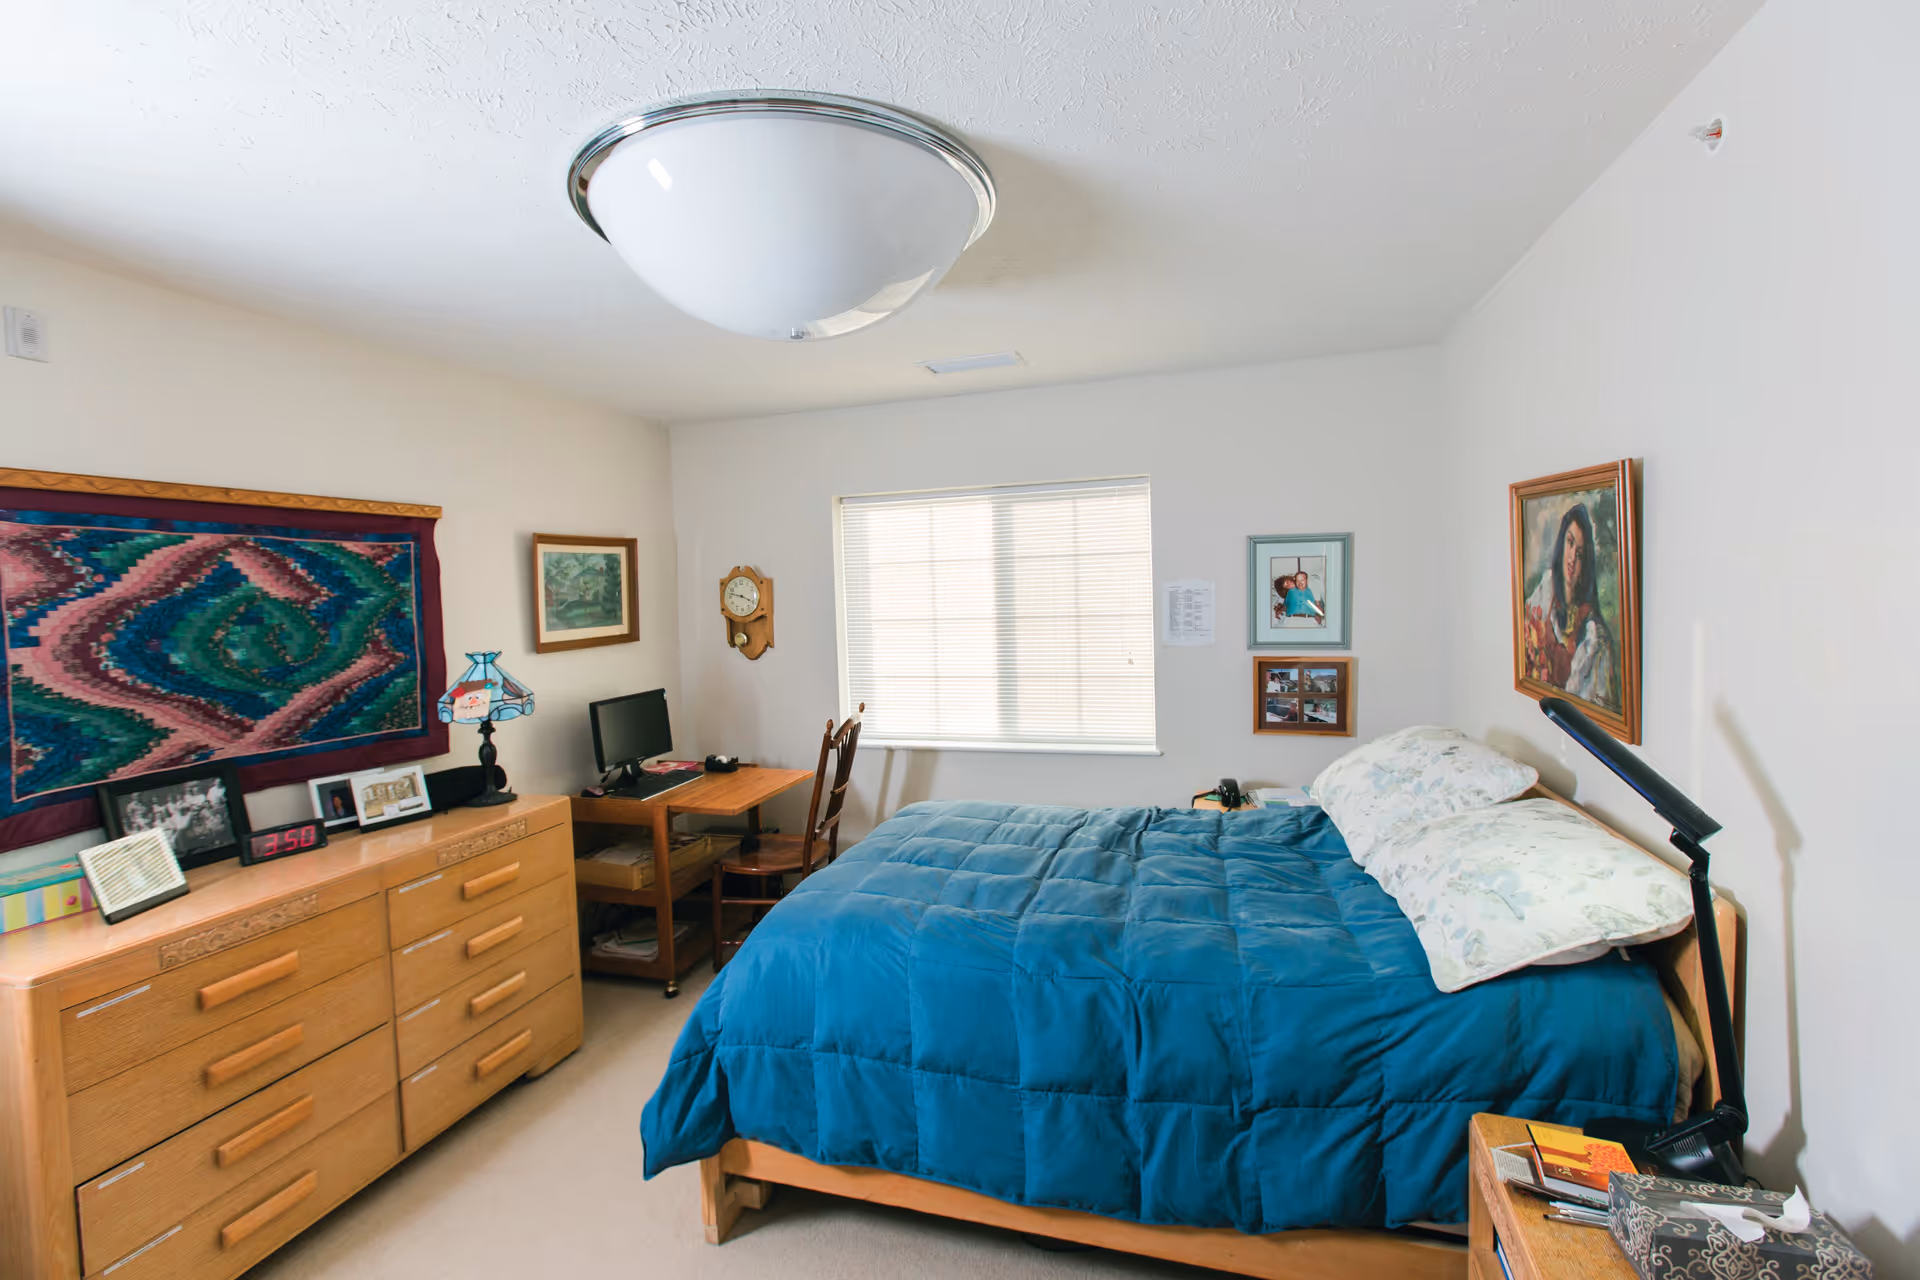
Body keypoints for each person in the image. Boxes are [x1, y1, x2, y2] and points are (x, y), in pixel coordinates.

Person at [1524, 502, 1619, 707]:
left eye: (1581, 553)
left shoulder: (1595, 637)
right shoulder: (1544, 592)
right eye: (1570, 542)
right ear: (1561, 544)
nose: (1572, 558)